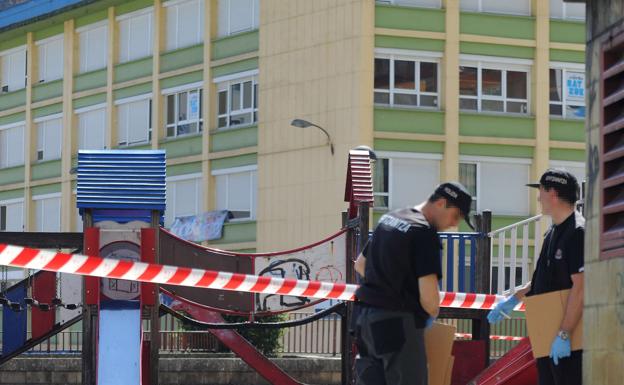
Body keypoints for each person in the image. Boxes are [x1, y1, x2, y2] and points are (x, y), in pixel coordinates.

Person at [354, 182, 474, 385]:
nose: (454, 224)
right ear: (442, 203)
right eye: (455, 216)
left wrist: (387, 285)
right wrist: (430, 314)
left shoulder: (390, 219)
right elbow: (429, 298)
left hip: (364, 320)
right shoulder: (423, 232)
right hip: (398, 323)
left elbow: (360, 264)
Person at [488, 169, 584, 385]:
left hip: (569, 338)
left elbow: (581, 288)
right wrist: (513, 300)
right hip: (548, 333)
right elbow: (541, 280)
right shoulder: (552, 232)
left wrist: (564, 334)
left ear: (552, 193)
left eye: (540, 191)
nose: (538, 197)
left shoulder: (577, 232)